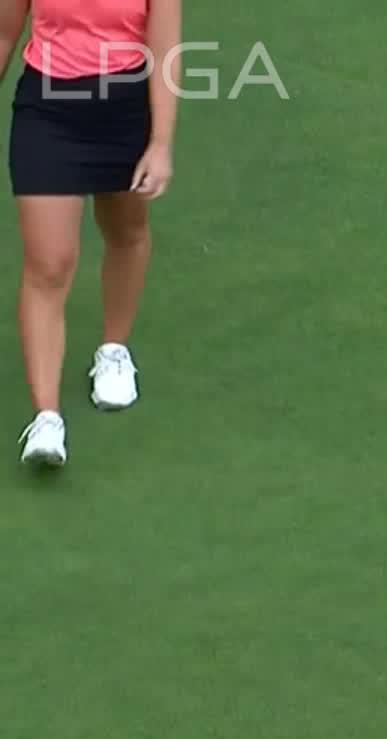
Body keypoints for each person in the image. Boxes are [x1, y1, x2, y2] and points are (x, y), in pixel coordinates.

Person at [4, 0, 181, 468]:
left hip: (126, 112)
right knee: (49, 263)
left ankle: (113, 350)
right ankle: (47, 418)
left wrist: (161, 144)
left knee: (126, 232)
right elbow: (3, 34)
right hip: (48, 114)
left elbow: (165, 49)